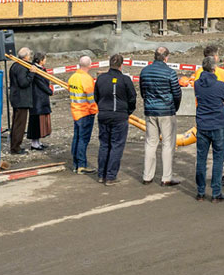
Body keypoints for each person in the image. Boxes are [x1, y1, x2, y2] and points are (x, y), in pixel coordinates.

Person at [139, 47, 183, 186]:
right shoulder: (170, 72)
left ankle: (147, 176)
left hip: (150, 110)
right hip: (166, 111)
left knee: (151, 143)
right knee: (167, 144)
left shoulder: (144, 71)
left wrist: (148, 103)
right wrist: (174, 108)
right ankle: (166, 177)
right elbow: (177, 93)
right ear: (166, 57)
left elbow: (142, 91)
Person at [193, 59, 224, 201]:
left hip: (202, 124)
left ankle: (200, 191)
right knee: (218, 159)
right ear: (214, 68)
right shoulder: (220, 85)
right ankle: (216, 192)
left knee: (201, 159)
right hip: (218, 124)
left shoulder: (197, 84)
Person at [94, 54, 138, 185]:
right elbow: (132, 98)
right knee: (116, 146)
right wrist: (127, 112)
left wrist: (103, 108)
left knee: (104, 145)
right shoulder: (125, 80)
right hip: (119, 116)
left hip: (104, 115)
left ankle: (102, 174)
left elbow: (96, 96)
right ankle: (111, 176)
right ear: (121, 65)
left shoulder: (101, 79)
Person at [67, 56, 98, 174]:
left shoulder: (73, 77)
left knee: (77, 137)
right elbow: (91, 98)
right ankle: (81, 165)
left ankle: (76, 164)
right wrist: (95, 110)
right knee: (83, 140)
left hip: (76, 111)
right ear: (89, 65)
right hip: (85, 112)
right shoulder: (87, 79)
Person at [8, 47, 35, 155]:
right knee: (19, 124)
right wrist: (32, 74)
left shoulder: (15, 65)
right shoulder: (22, 67)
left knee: (16, 123)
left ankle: (15, 145)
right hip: (21, 99)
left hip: (16, 98)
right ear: (26, 56)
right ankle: (16, 147)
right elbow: (23, 83)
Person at [26, 51, 53, 151]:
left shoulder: (39, 68)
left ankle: (38, 142)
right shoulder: (35, 70)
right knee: (36, 121)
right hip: (38, 98)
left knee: (39, 121)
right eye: (44, 59)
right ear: (41, 60)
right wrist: (49, 91)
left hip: (41, 98)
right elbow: (41, 83)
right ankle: (34, 143)